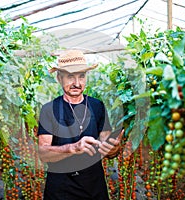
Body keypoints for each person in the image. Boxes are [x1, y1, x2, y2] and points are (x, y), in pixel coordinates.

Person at [37, 49, 123, 200]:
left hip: (94, 187)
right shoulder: (49, 110)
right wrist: (73, 148)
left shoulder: (97, 106)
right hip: (60, 190)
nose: (77, 83)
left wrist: (113, 149)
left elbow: (107, 148)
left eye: (81, 76)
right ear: (59, 78)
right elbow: (43, 154)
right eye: (70, 77)